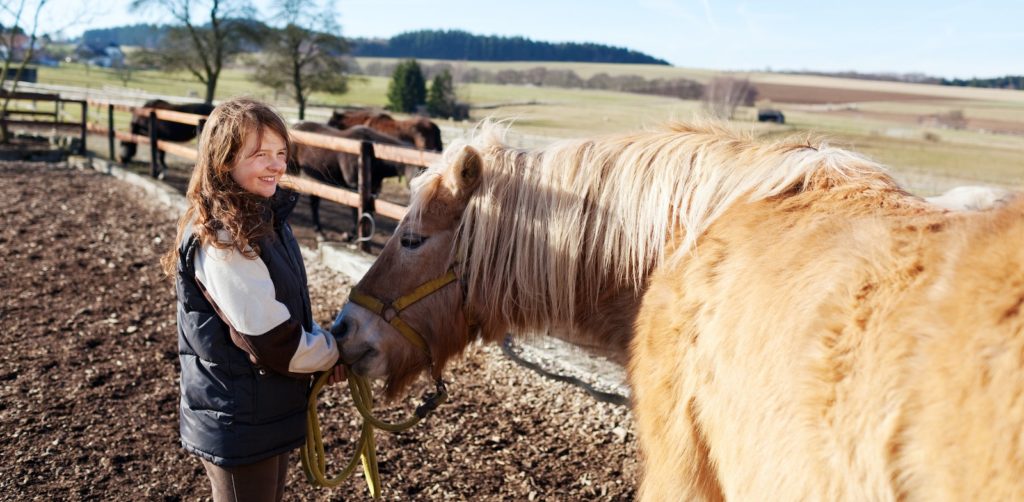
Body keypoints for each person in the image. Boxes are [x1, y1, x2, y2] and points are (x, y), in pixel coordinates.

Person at [161, 97, 345, 502]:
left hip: (261, 407)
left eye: (281, 153)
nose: (277, 165)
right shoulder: (224, 237)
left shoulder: (264, 220)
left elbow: (288, 314)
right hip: (240, 414)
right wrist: (334, 353)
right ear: (224, 161)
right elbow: (271, 337)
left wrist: (321, 351)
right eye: (261, 154)